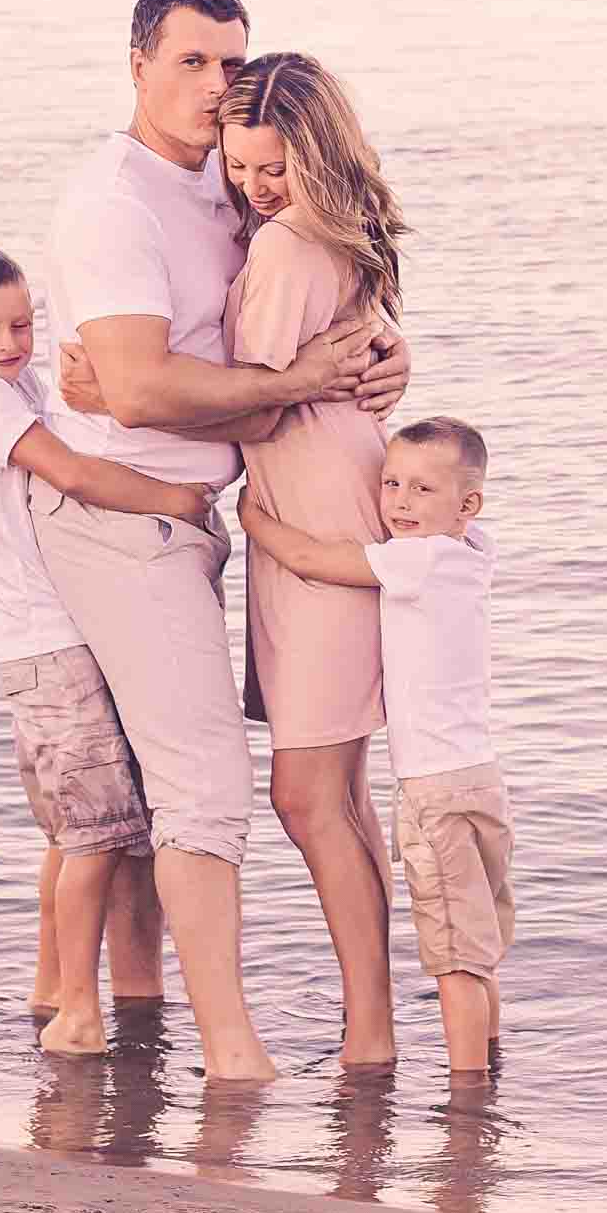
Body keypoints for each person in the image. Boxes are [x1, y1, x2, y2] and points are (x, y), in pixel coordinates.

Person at [38, 0, 408, 1084]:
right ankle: (234, 1056)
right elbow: (145, 390)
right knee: (204, 787)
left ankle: (110, 1011)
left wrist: (375, 350)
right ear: (138, 63)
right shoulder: (115, 202)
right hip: (129, 519)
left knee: (166, 789)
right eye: (191, 62)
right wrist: (295, 380)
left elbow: (321, 290)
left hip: (207, 520)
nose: (213, 87)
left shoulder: (228, 188)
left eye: (228, 65)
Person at [0, 241, 216, 1057]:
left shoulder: (13, 388)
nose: (10, 345)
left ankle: (53, 987)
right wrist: (177, 502)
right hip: (48, 644)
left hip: (36, 643)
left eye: (22, 324)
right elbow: (75, 476)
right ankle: (79, 1013)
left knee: (69, 832)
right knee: (95, 836)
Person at [219, 53, 405, 1070]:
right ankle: (370, 1025)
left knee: (307, 795)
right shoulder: (322, 236)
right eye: (242, 168)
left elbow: (252, 396)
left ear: (318, 149)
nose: (258, 187)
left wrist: (114, 390)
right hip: (319, 507)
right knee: (336, 793)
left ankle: (372, 1033)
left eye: (274, 167)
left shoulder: (293, 246)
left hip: (318, 515)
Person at [237, 417, 512, 1078]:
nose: (399, 503)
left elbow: (309, 560)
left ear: (466, 505)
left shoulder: (415, 560)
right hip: (481, 778)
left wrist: (254, 517)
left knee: (452, 957)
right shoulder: (475, 551)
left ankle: (467, 1095)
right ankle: (493, 1062)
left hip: (433, 789)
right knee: (479, 941)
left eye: (422, 490)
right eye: (390, 484)